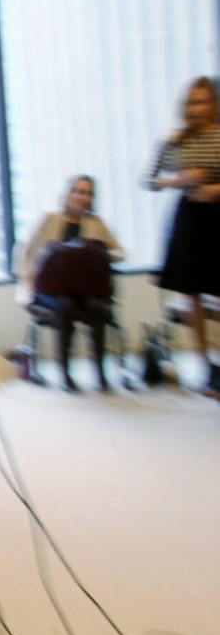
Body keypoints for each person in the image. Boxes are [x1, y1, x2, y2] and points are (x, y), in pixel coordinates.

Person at [144, 76, 220, 396]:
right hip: (189, 219)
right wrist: (180, 180)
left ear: (213, 104)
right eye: (191, 102)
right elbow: (149, 180)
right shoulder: (174, 140)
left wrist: (215, 189)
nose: (196, 108)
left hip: (218, 217)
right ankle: (206, 365)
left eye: (202, 101)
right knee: (191, 295)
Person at [16, 175, 125, 391]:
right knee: (65, 308)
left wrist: (99, 254)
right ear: (67, 194)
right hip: (50, 290)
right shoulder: (50, 219)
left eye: (86, 193)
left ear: (92, 198)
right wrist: (27, 278)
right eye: (77, 191)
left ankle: (100, 373)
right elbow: (25, 251)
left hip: (84, 290)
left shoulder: (96, 224)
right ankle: (65, 374)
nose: (80, 197)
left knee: (98, 309)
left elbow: (119, 252)